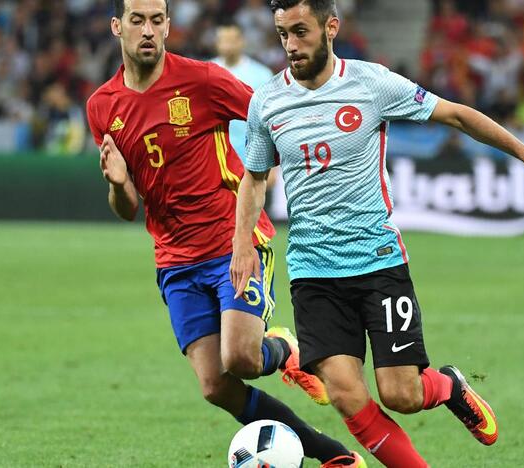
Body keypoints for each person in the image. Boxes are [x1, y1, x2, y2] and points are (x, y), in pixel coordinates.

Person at [231, 0, 524, 466]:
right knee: (344, 394)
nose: (291, 45)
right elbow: (254, 177)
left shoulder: (372, 83)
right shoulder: (267, 101)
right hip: (313, 272)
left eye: (301, 31)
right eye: (283, 34)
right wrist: (242, 244)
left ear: (331, 26)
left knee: (400, 393)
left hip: (378, 262)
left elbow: (456, 115)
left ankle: (447, 386)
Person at [84, 1, 365, 467]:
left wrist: (279, 165)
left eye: (157, 20)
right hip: (174, 260)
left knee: (242, 359)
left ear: (169, 25)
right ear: (118, 27)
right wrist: (117, 184)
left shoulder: (203, 81)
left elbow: (271, 117)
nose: (148, 30)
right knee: (216, 386)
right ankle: (333, 455)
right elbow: (127, 208)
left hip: (233, 240)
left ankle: (285, 348)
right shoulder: (102, 107)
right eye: (137, 20)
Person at [212, 22, 274, 159]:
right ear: (217, 43)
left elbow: (270, 118)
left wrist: (272, 162)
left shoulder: (262, 75)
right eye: (224, 40)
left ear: (242, 41)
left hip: (251, 155)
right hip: (216, 156)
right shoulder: (206, 73)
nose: (228, 45)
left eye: (232, 40)